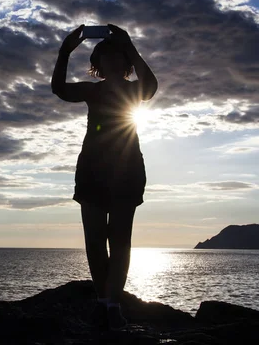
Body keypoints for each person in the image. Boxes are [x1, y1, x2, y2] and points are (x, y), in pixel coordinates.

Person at [51, 24, 158, 330]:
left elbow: (150, 88)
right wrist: (65, 51)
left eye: (117, 56)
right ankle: (104, 303)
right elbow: (59, 89)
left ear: (125, 62)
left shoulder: (132, 91)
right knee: (96, 241)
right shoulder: (92, 90)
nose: (112, 62)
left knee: (120, 240)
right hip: (92, 170)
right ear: (98, 64)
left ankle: (112, 305)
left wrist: (131, 46)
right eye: (105, 56)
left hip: (127, 171)